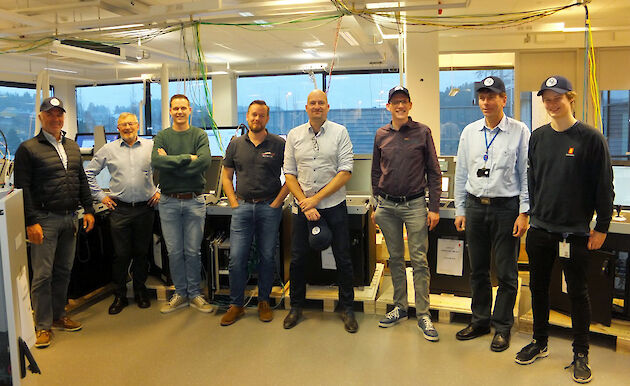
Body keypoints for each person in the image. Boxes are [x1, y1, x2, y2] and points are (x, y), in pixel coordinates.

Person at [515, 75, 614, 384]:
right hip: (541, 231)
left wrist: (602, 227)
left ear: (570, 98)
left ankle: (580, 353)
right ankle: (540, 341)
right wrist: (530, 213)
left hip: (575, 232)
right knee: (538, 288)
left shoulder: (591, 138)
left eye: (557, 97)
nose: (551, 103)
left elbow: (604, 187)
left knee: (578, 294)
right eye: (546, 98)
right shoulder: (538, 137)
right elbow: (533, 180)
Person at [453, 76, 530, 351]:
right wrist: (460, 208)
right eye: (482, 97)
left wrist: (524, 212)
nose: (486, 102)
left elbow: (525, 173)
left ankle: (503, 326)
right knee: (478, 270)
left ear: (503, 99)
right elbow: (461, 172)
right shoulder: (469, 132)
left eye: (492, 96)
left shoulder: (520, 131)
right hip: (475, 207)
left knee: (507, 272)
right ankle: (480, 320)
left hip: (506, 209)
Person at [14, 96, 95, 348]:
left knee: (63, 271)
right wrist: (30, 222)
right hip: (44, 220)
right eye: (50, 114)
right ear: (41, 117)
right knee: (42, 275)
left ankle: (59, 316)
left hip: (70, 217)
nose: (55, 118)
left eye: (59, 114)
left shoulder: (71, 146)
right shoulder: (28, 149)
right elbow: (22, 188)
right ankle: (42, 326)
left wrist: (90, 209)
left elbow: (81, 179)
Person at [283, 89, 357, 333]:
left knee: (343, 258)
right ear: (306, 108)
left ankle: (347, 308)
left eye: (321, 103)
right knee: (298, 259)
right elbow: (290, 174)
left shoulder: (340, 133)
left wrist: (315, 199)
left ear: (327, 107)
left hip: (333, 206)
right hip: (302, 209)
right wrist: (305, 202)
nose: (316, 106)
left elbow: (345, 171)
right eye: (312, 103)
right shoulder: (294, 135)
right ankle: (296, 307)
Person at [371, 86, 442, 341]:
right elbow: (376, 173)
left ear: (410, 105)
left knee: (420, 260)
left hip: (414, 205)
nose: (399, 106)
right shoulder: (381, 134)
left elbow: (434, 172)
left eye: (404, 102)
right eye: (395, 102)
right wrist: (376, 203)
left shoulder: (422, 132)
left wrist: (433, 207)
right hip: (387, 206)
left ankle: (423, 313)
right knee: (396, 259)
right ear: (388, 106)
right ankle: (400, 307)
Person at [219, 100, 289, 326]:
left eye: (261, 115)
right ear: (247, 117)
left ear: (267, 119)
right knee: (237, 258)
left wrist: (277, 203)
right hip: (242, 208)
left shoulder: (279, 144)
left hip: (269, 207)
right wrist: (233, 202)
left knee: (267, 257)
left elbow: (291, 176)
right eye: (253, 115)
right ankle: (236, 304)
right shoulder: (235, 144)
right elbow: (226, 176)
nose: (256, 119)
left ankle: (263, 301)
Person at [84, 112, 160, 315]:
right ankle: (120, 295)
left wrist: (159, 190)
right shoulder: (108, 149)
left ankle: (140, 291)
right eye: (123, 125)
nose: (127, 128)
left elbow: (166, 168)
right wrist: (101, 197)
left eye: (131, 124)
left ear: (138, 125)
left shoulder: (151, 147)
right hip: (120, 209)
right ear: (118, 128)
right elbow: (88, 173)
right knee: (121, 255)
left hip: (145, 208)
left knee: (142, 253)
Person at [151, 94, 214, 314]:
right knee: (175, 251)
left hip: (194, 201)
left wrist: (171, 162)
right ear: (170, 110)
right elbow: (156, 162)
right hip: (168, 202)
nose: (179, 112)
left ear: (190, 110)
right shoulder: (162, 136)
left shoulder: (199, 135)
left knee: (192, 251)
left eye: (183, 108)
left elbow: (205, 162)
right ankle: (180, 292)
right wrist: (188, 157)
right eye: (175, 108)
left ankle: (195, 293)